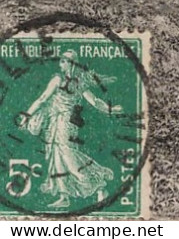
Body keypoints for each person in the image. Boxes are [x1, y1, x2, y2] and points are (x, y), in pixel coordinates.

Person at [18, 50, 121, 210]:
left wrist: (111, 109)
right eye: (61, 61)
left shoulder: (73, 82)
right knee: (56, 156)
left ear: (72, 63)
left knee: (68, 155)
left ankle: (99, 185)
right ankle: (63, 196)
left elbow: (94, 101)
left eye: (65, 61)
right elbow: (43, 98)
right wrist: (27, 114)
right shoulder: (60, 79)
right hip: (55, 122)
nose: (61, 64)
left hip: (66, 124)